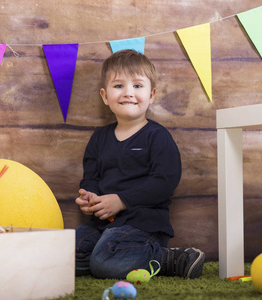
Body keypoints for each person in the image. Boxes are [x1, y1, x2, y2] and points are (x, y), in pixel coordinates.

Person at [75, 49, 205, 279]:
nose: (128, 93)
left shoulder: (157, 136)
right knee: (64, 255)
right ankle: (111, 255)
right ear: (105, 96)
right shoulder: (99, 138)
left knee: (104, 265)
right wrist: (89, 196)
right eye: (118, 86)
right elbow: (91, 177)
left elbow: (165, 182)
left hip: (143, 225)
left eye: (137, 86)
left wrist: (122, 201)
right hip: (102, 224)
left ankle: (169, 258)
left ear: (151, 95)